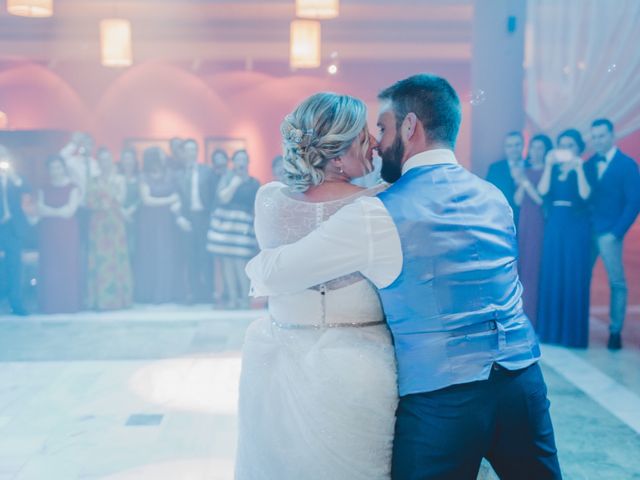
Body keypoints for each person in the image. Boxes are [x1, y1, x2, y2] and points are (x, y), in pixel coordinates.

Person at [246, 74, 560, 480]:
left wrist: (257, 263)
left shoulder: (377, 212)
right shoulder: (493, 195)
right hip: (524, 385)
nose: (376, 141)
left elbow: (278, 272)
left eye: (382, 127)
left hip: (442, 400)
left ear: (410, 127)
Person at [235, 92, 399, 480]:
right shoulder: (382, 203)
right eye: (364, 136)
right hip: (360, 369)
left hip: (275, 364)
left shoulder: (270, 201)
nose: (374, 143)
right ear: (338, 155)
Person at [583, 118, 640, 350]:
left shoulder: (627, 165)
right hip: (587, 232)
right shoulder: (587, 164)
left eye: (602, 136)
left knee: (617, 282)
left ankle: (615, 331)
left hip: (610, 233)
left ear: (612, 135)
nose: (598, 140)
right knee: (580, 280)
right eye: (594, 136)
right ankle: (578, 326)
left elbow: (634, 202)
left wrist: (617, 232)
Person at [537, 129, 592, 349]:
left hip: (576, 226)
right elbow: (543, 191)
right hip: (555, 225)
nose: (566, 149)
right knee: (553, 273)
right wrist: (549, 166)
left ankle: (572, 335)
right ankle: (551, 332)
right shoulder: (553, 168)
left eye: (570, 144)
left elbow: (586, 194)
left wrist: (578, 169)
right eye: (562, 145)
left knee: (573, 275)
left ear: (578, 147)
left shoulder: (585, 168)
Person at [206, 149, 259, 309]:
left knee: (241, 262)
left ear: (248, 162)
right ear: (234, 162)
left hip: (243, 225)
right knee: (227, 262)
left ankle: (245, 298)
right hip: (227, 225)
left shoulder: (254, 182)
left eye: (243, 159)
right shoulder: (228, 178)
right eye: (238, 159)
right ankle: (233, 298)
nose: (241, 162)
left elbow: (257, 206)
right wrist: (234, 183)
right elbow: (223, 198)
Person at [86, 147, 133, 310]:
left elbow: (121, 198)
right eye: (101, 159)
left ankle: (120, 300)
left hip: (115, 222)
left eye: (107, 159)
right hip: (98, 224)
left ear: (111, 161)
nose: (104, 163)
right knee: (100, 259)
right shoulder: (92, 180)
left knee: (117, 259)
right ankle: (100, 300)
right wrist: (101, 203)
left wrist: (108, 197)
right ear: (97, 162)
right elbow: (88, 201)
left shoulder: (119, 179)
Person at [134, 147, 182, 304]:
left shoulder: (170, 174)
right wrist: (169, 200)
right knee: (150, 255)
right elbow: (147, 200)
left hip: (167, 222)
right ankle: (149, 295)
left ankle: (166, 294)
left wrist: (175, 203)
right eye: (161, 155)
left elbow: (178, 196)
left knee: (167, 256)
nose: (165, 157)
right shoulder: (144, 176)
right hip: (149, 223)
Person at [37, 155, 82, 314]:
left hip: (67, 232)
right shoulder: (43, 188)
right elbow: (40, 210)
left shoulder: (73, 187)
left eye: (58, 167)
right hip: (48, 233)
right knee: (50, 266)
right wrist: (58, 211)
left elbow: (69, 211)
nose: (55, 171)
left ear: (63, 168)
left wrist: (51, 211)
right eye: (52, 168)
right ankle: (51, 305)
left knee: (67, 265)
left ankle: (68, 304)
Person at [515, 134, 552, 327]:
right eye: (533, 147)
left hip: (538, 224)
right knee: (523, 267)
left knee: (533, 268)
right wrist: (522, 180)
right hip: (525, 222)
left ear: (546, 151)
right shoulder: (526, 171)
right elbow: (519, 200)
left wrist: (526, 182)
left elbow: (540, 200)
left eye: (540, 148)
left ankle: (533, 318)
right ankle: (521, 315)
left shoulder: (548, 170)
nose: (535, 151)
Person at [175, 139, 215, 303]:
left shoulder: (207, 171)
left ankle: (208, 293)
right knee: (190, 257)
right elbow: (175, 198)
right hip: (188, 219)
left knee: (206, 256)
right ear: (183, 153)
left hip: (204, 217)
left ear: (197, 152)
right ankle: (193, 293)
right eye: (188, 150)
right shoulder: (178, 174)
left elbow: (214, 195)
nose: (191, 153)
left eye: (194, 149)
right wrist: (179, 217)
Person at [0, 145, 30, 315]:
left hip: (12, 227)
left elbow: (26, 188)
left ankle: (16, 304)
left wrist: (11, 174)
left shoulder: (15, 177)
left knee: (15, 266)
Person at [486, 131, 525, 226]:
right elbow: (488, 195)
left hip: (527, 220)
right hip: (502, 220)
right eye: (509, 146)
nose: (514, 149)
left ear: (523, 145)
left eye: (517, 145)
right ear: (505, 148)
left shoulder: (531, 166)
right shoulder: (495, 169)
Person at [209, 148, 230, 305]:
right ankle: (218, 291)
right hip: (215, 219)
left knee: (230, 259)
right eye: (217, 159)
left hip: (230, 221)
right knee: (216, 259)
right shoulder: (210, 176)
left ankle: (229, 292)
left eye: (222, 159)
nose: (220, 162)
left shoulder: (231, 176)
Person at [118, 147, 140, 265]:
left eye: (130, 158)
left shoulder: (140, 178)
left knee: (134, 251)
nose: (128, 161)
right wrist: (122, 211)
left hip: (135, 219)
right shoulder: (115, 177)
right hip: (118, 219)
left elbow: (142, 197)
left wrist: (132, 209)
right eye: (125, 158)